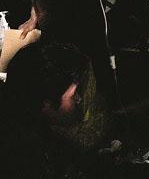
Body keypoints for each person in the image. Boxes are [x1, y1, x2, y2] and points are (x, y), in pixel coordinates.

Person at [0, 43, 89, 179]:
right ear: (45, 104)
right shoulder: (24, 159)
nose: (79, 100)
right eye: (73, 95)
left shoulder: (29, 123)